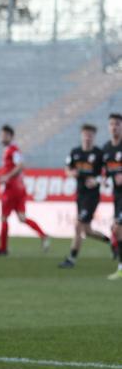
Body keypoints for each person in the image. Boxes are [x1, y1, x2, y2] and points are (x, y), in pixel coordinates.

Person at [0, 125, 50, 256]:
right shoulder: (9, 150)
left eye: (5, 135)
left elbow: (21, 165)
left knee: (4, 218)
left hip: (12, 188)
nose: (2, 137)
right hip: (19, 188)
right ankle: (43, 235)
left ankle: (3, 248)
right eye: (1, 135)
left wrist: (6, 177)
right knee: (22, 218)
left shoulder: (13, 150)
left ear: (11, 136)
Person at [60, 124, 112, 268]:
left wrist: (96, 180)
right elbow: (67, 168)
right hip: (80, 194)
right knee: (87, 231)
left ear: (94, 136)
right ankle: (112, 242)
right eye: (85, 134)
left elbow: (107, 173)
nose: (87, 137)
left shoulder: (99, 154)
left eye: (90, 135)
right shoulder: (75, 152)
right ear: (81, 135)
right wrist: (71, 173)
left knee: (78, 226)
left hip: (92, 196)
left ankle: (71, 259)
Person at [103, 113, 122, 280]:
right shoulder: (107, 149)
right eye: (111, 124)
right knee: (117, 229)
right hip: (117, 196)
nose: (114, 127)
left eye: (117, 124)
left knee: (117, 228)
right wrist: (104, 180)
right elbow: (106, 170)